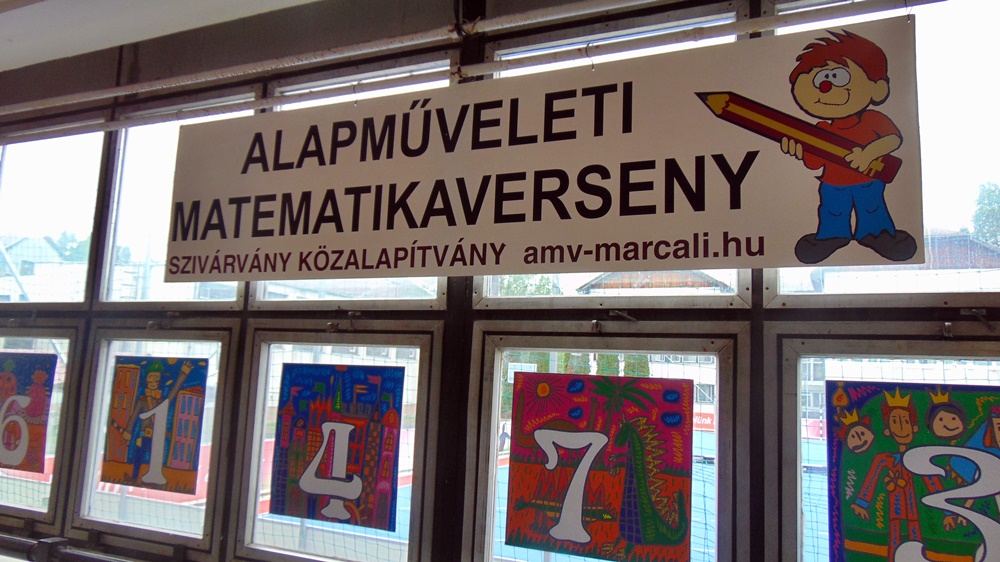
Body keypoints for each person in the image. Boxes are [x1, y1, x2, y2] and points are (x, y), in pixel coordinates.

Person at [781, 30, 916, 264]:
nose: (825, 87)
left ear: (878, 88)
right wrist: (800, 149)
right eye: (818, 80)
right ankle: (831, 236)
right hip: (833, 182)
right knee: (833, 210)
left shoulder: (872, 119)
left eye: (837, 76)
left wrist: (869, 153)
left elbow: (893, 139)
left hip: (868, 178)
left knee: (872, 208)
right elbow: (814, 162)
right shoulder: (821, 128)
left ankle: (877, 234)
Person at [851, 389, 953, 561]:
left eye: (905, 421)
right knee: (895, 535)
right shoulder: (884, 459)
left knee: (915, 533)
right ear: (887, 431)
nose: (900, 426)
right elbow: (872, 478)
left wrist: (948, 512)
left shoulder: (918, 458)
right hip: (895, 507)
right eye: (895, 421)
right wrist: (862, 502)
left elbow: (932, 482)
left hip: (913, 508)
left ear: (914, 427)